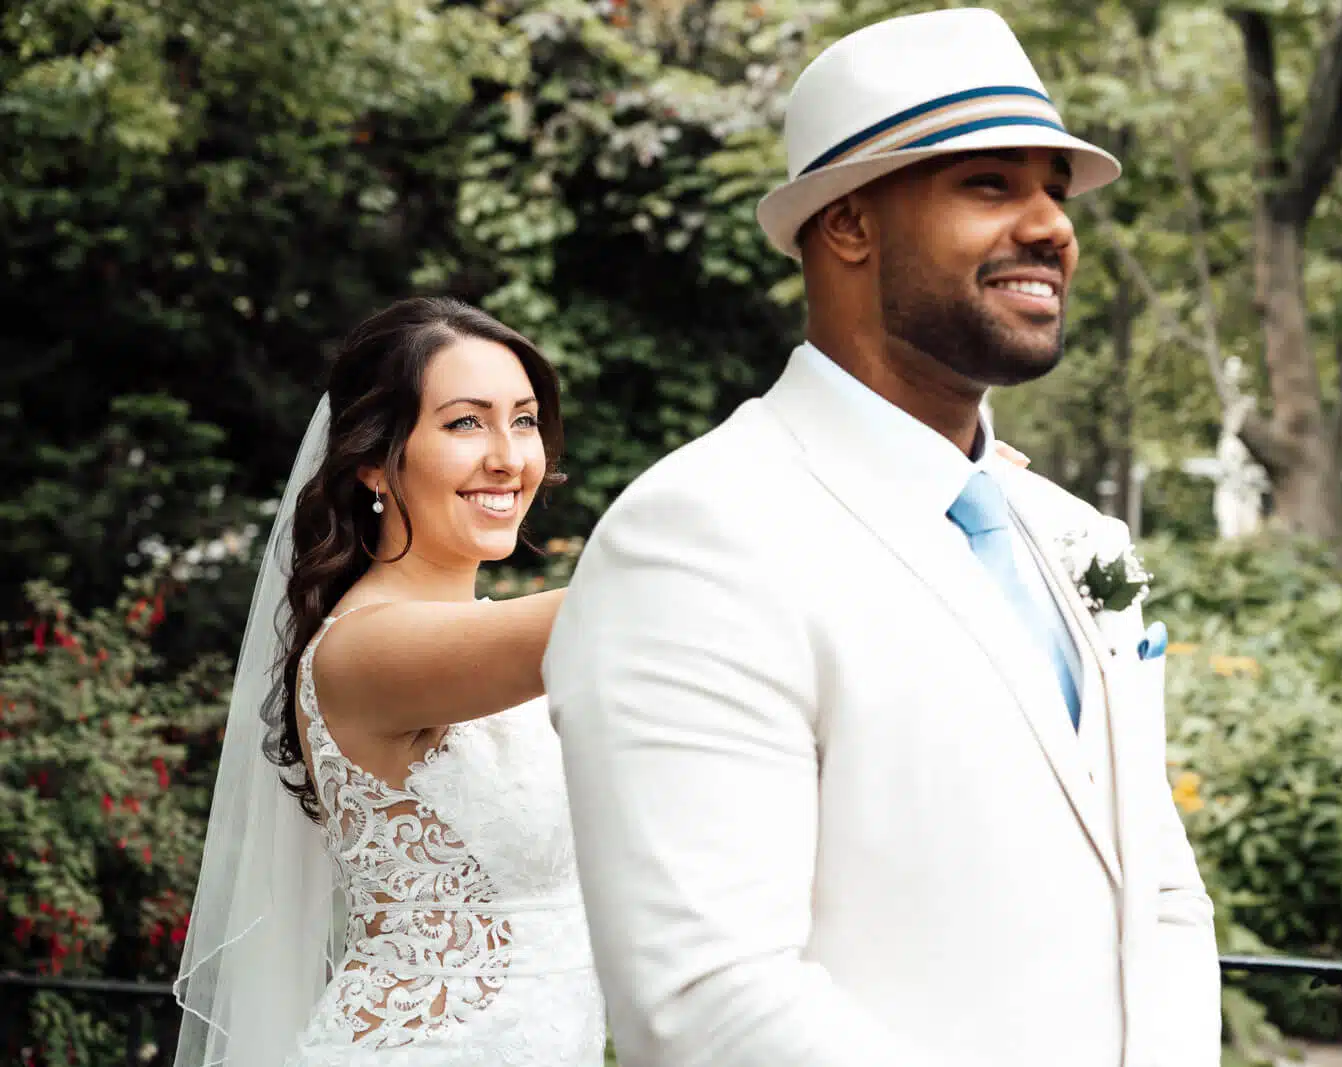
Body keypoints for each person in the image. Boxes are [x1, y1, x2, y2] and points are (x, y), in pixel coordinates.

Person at [543, 9, 1221, 1067]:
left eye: (1054, 185)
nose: (1052, 224)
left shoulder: (1076, 532)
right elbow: (708, 999)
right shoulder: (696, 538)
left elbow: (1162, 891)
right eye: (990, 184)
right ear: (849, 225)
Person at [172, 297, 605, 1067]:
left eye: (526, 419)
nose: (508, 456)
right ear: (375, 456)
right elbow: (627, 603)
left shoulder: (491, 642)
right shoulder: (366, 646)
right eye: (466, 422)